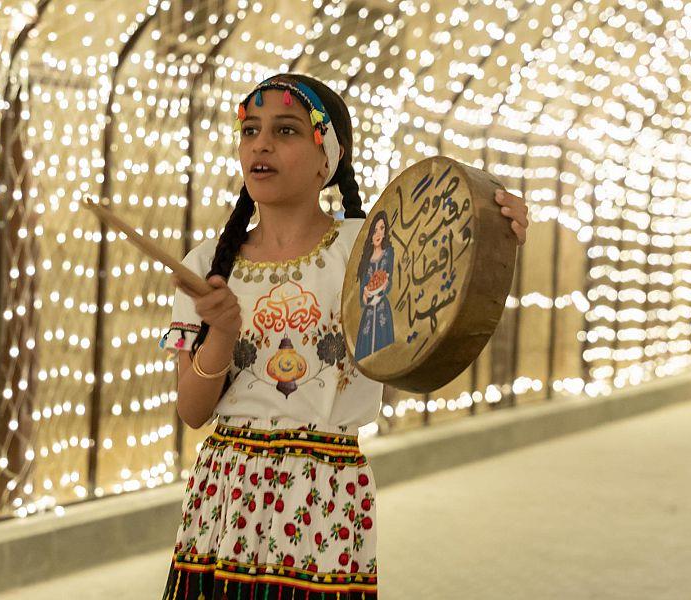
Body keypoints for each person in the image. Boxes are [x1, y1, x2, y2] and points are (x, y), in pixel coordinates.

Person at [159, 73, 529, 599]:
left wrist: (496, 227)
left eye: (286, 130)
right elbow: (193, 411)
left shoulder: (371, 250)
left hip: (325, 496)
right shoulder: (208, 265)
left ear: (326, 160)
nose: (260, 144)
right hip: (224, 499)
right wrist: (220, 332)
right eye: (250, 130)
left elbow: (445, 294)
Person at [355, 210, 395, 362]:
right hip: (368, 314)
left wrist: (384, 286)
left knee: (384, 358)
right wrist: (366, 294)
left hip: (383, 310)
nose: (378, 233)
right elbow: (362, 293)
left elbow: (389, 279)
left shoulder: (388, 253)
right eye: (375, 229)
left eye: (382, 228)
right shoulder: (365, 259)